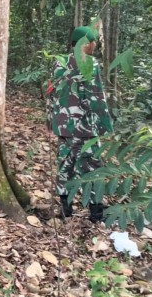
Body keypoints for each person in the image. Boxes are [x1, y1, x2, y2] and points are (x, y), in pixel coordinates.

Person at [46, 26, 114, 222]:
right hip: (86, 127)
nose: (95, 46)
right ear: (85, 44)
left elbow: (52, 92)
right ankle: (96, 214)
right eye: (93, 42)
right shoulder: (91, 63)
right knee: (93, 169)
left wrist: (50, 120)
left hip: (64, 125)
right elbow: (97, 97)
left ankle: (65, 210)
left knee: (65, 165)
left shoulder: (59, 62)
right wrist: (105, 126)